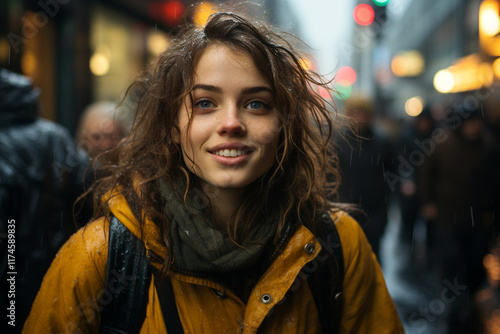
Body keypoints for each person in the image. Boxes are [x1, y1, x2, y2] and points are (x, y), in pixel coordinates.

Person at [23, 12, 403, 333]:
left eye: (256, 104)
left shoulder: (337, 245)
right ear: (173, 124)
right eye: (205, 103)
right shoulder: (101, 256)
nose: (231, 123)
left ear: (283, 124)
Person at [0, 69, 89, 328]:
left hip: (12, 258)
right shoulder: (55, 135)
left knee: (11, 316)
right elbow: (85, 192)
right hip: (54, 253)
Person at [334, 95, 395, 262]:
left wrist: (384, 206)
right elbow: (329, 177)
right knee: (347, 260)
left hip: (374, 212)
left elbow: (392, 174)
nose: (360, 119)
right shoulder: (338, 141)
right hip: (345, 210)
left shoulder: (382, 143)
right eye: (355, 113)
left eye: (364, 114)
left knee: (372, 258)